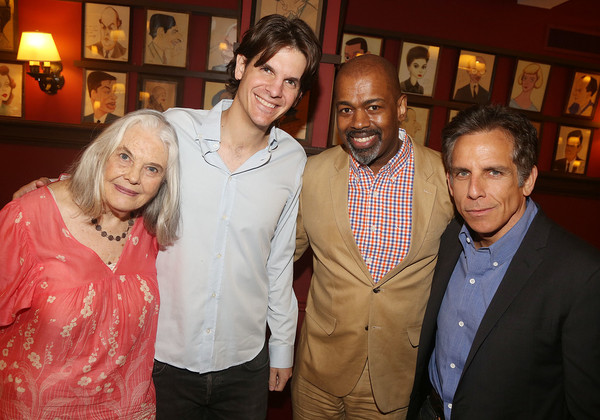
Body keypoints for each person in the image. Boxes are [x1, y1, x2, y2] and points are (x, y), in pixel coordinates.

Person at [13, 14, 321, 419]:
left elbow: (279, 262)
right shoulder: (177, 128)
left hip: (245, 363)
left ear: (299, 94)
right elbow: (121, 171)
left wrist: (282, 347)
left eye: (291, 81)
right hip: (161, 358)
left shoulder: (292, 159)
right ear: (242, 65)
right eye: (267, 68)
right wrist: (55, 190)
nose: (275, 89)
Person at [409, 105, 600, 420]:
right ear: (448, 181)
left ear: (527, 180)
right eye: (462, 173)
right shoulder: (446, 239)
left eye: (493, 172)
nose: (474, 191)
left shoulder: (582, 275)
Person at [292, 54, 453, 419]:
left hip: (395, 378)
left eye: (373, 106)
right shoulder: (313, 174)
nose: (358, 122)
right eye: (346, 109)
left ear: (401, 107)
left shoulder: (445, 178)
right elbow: (280, 258)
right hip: (318, 373)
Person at [0, 109, 180, 418]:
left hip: (128, 410)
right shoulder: (28, 219)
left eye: (152, 168)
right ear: (101, 155)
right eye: (124, 156)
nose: (134, 177)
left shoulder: (152, 231)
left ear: (163, 182)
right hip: (36, 410)